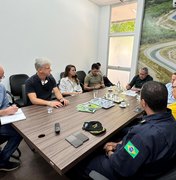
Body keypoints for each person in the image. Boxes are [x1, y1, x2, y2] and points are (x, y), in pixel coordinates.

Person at [82, 81, 176, 179]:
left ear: (143, 103)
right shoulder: (172, 122)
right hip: (156, 167)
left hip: (129, 172)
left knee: (87, 161)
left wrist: (109, 151)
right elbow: (134, 149)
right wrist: (118, 145)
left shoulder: (143, 136)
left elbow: (121, 165)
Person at [0, 65, 22, 171]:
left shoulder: (1, 87)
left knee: (21, 129)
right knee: (17, 134)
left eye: (2, 77)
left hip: (3, 120)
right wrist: (4, 112)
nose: (1, 80)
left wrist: (11, 107)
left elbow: (5, 104)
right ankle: (2, 162)